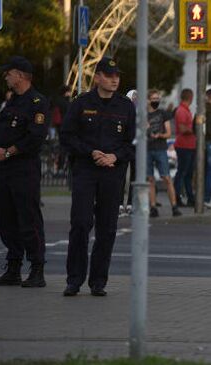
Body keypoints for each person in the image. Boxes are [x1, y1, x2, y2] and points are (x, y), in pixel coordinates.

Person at [60, 57, 135, 296]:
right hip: (85, 170)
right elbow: (67, 137)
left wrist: (115, 156)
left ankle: (98, 281)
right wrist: (90, 152)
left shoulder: (125, 106)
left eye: (117, 76)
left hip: (112, 174)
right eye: (109, 75)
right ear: (98, 77)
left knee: (107, 228)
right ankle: (74, 279)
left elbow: (132, 143)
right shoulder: (81, 103)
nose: (114, 80)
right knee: (81, 223)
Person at [0, 56, 48, 288]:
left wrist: (10, 152)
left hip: (24, 169)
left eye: (9, 73)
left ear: (21, 75)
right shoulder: (11, 101)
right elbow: (3, 132)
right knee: (7, 219)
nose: (6, 76)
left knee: (29, 219)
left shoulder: (37, 102)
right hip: (5, 168)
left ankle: (37, 268)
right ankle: (13, 266)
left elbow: (35, 137)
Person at [147, 89, 182, 218]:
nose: (156, 101)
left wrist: (159, 135)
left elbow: (168, 133)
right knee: (150, 179)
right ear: (148, 100)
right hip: (147, 149)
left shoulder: (163, 113)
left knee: (166, 177)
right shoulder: (143, 115)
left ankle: (174, 206)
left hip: (160, 148)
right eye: (153, 99)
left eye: (157, 98)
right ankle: (153, 207)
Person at [173, 88, 196, 207]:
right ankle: (176, 197)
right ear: (190, 97)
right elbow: (182, 129)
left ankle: (190, 198)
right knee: (182, 173)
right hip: (184, 145)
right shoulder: (182, 110)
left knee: (188, 174)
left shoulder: (186, 110)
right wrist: (195, 129)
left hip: (189, 145)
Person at [119, 89, 138, 217]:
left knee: (134, 177)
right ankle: (120, 204)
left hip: (136, 147)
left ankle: (131, 203)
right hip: (125, 146)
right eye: (134, 98)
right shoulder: (123, 111)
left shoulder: (140, 112)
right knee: (121, 175)